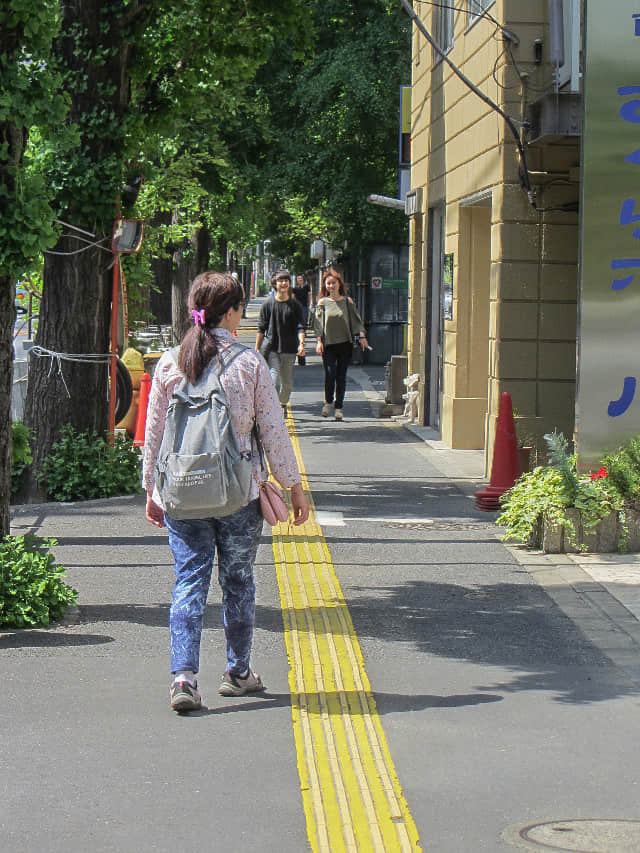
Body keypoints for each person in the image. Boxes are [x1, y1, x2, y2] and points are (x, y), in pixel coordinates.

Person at [143, 271, 309, 712]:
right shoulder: (248, 363)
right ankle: (238, 673)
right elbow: (272, 430)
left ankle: (183, 678)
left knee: (188, 580)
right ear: (232, 313)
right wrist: (293, 486)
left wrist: (152, 491)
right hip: (241, 493)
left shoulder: (168, 363)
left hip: (183, 494)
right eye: (240, 308)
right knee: (238, 582)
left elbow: (154, 434)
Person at [313, 268, 368, 421]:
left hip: (345, 344)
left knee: (341, 376)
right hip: (328, 344)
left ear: (339, 284)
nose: (331, 286)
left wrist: (362, 336)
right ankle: (328, 403)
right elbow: (318, 324)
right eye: (328, 284)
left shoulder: (347, 302)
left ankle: (339, 408)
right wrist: (318, 342)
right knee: (330, 374)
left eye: (333, 283)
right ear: (325, 286)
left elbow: (356, 321)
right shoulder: (322, 303)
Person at [256, 269, 306, 410]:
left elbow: (301, 327)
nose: (283, 283)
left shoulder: (295, 306)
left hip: (290, 349)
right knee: (274, 381)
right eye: (280, 280)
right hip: (272, 348)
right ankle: (274, 409)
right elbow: (261, 328)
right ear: (275, 283)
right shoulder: (268, 304)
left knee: (287, 385)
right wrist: (257, 348)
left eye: (286, 280)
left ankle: (281, 404)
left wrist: (301, 344)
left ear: (290, 283)